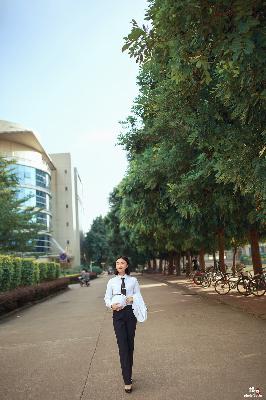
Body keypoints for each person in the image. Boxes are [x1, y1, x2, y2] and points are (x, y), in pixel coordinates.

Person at [104, 256, 144, 394]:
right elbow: (107, 298)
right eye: (117, 263)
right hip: (118, 315)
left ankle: (129, 373)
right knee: (122, 345)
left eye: (122, 263)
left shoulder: (133, 280)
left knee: (130, 344)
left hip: (130, 314)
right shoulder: (111, 282)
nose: (119, 265)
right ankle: (127, 380)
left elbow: (138, 295)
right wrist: (111, 305)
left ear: (127, 265)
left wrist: (132, 298)